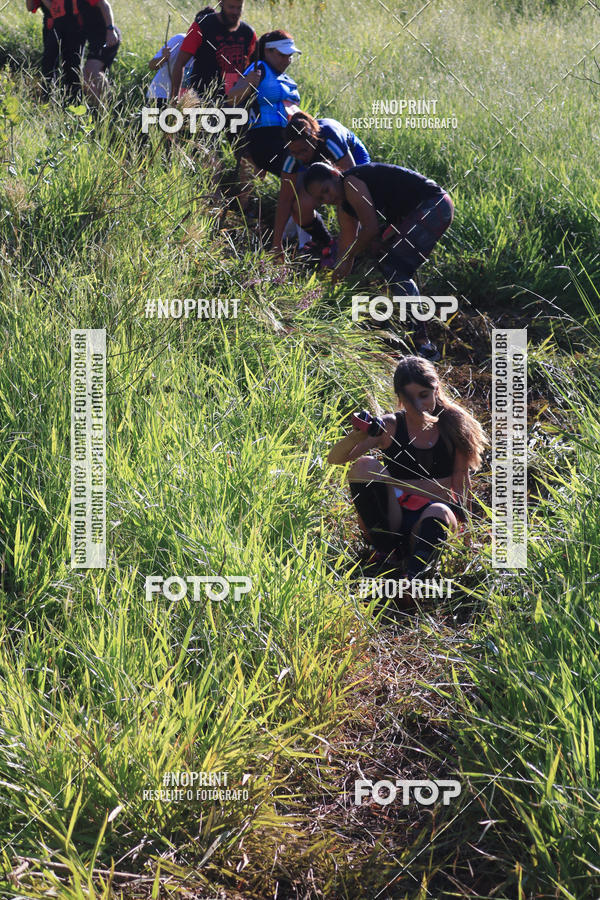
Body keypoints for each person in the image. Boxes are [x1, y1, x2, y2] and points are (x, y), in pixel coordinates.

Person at [327, 356, 487, 582]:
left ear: (436, 389)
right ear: (400, 398)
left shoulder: (454, 423)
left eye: (424, 395)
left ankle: (413, 578)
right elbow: (335, 459)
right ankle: (386, 553)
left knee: (439, 512)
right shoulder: (391, 425)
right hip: (393, 518)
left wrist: (469, 538)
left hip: (433, 520)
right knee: (364, 466)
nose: (418, 405)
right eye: (410, 399)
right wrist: (358, 434)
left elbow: (462, 482)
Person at [304, 161, 454, 360]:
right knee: (384, 257)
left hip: (433, 206)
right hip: (424, 210)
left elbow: (370, 229)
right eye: (321, 198)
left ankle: (423, 344)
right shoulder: (345, 207)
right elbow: (346, 244)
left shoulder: (351, 183)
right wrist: (336, 276)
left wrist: (349, 257)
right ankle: (403, 324)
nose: (327, 198)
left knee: (394, 267)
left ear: (334, 173)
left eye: (326, 190)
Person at [272, 111, 371, 260]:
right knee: (299, 206)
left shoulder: (330, 139)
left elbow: (352, 182)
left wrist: (349, 231)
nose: (300, 156)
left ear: (313, 140)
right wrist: (276, 243)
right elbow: (285, 200)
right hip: (320, 167)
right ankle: (327, 243)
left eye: (304, 151)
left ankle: (359, 250)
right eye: (295, 152)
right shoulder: (292, 156)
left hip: (352, 158)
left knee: (349, 199)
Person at [227, 31, 301, 208]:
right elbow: (232, 99)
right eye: (282, 55)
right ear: (267, 51)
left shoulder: (285, 78)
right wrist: (247, 83)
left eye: (290, 56)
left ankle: (294, 224)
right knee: (299, 178)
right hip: (265, 139)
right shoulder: (258, 68)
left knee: (302, 179)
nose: (287, 60)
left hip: (288, 138)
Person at [169, 2, 257, 101]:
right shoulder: (202, 25)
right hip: (203, 100)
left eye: (239, 8)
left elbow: (251, 68)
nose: (235, 12)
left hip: (236, 101)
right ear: (221, 3)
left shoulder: (248, 32)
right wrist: (174, 98)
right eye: (231, 7)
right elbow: (180, 63)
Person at [26, 0, 83, 100]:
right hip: (52, 26)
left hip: (73, 27)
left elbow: (57, 9)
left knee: (72, 67)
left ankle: (74, 104)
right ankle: (47, 102)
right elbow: (30, 6)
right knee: (49, 65)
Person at [78, 0, 120, 104]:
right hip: (94, 40)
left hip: (106, 36)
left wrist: (110, 30)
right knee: (84, 76)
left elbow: (104, 4)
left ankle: (111, 104)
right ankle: (100, 108)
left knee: (92, 69)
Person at [147, 33, 194, 105]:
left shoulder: (210, 48)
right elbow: (151, 65)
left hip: (185, 102)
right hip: (160, 96)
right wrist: (163, 58)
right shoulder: (179, 40)